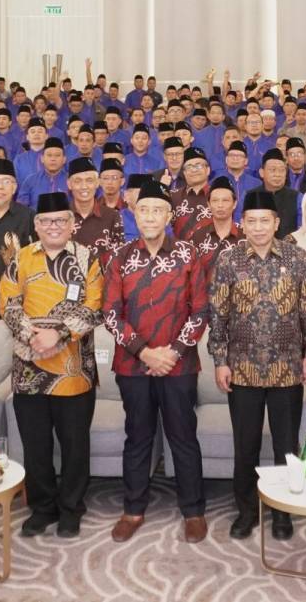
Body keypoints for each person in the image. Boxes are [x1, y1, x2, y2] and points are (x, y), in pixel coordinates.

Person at [208, 186, 306, 541]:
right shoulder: (228, 260)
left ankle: (283, 512)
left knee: (286, 445)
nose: (258, 228)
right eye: (252, 221)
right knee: (246, 446)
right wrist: (220, 360)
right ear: (242, 223)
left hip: (287, 368)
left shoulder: (296, 257)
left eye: (264, 221)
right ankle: (246, 510)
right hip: (241, 369)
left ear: (276, 222)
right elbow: (218, 314)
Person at [103, 183, 209, 543]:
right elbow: (110, 314)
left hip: (179, 366)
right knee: (137, 437)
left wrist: (172, 352)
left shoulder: (188, 254)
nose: (150, 217)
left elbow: (201, 311)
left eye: (157, 210)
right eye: (143, 210)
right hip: (133, 366)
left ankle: (193, 511)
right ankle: (132, 510)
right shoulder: (119, 257)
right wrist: (145, 352)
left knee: (184, 438)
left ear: (168, 216)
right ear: (135, 214)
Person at [1, 191, 106, 539]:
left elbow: (94, 307)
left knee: (75, 446)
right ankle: (43, 507)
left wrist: (57, 334)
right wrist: (31, 335)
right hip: (29, 369)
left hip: (75, 373)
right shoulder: (21, 257)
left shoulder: (88, 258)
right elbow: (8, 302)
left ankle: (71, 508)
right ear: (36, 225)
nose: (54, 226)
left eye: (61, 220)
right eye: (46, 221)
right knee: (36, 445)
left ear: (72, 224)